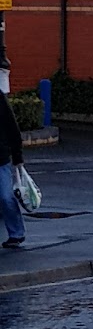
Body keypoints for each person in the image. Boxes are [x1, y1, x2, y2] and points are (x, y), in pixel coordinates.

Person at [0, 91, 25, 248]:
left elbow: (12, 127)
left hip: (0, 158)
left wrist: (18, 157)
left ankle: (16, 233)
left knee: (6, 197)